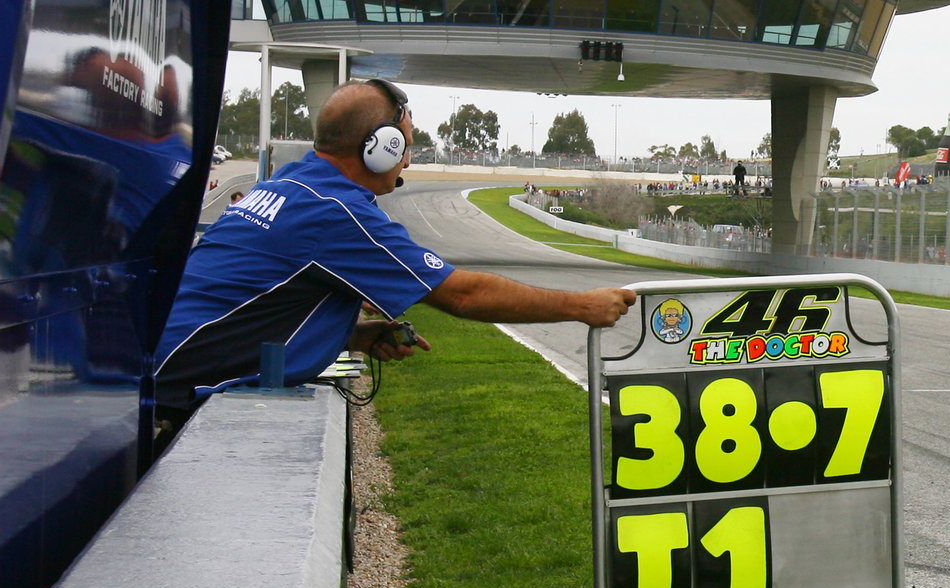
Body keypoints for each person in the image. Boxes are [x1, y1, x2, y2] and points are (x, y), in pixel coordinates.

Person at [153, 78, 636, 429]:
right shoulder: (334, 212)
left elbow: (254, 301)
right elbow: (462, 295)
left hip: (153, 380)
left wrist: (350, 336)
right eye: (405, 143)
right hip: (165, 401)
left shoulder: (292, 185)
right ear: (378, 148)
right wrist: (582, 306)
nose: (408, 158)